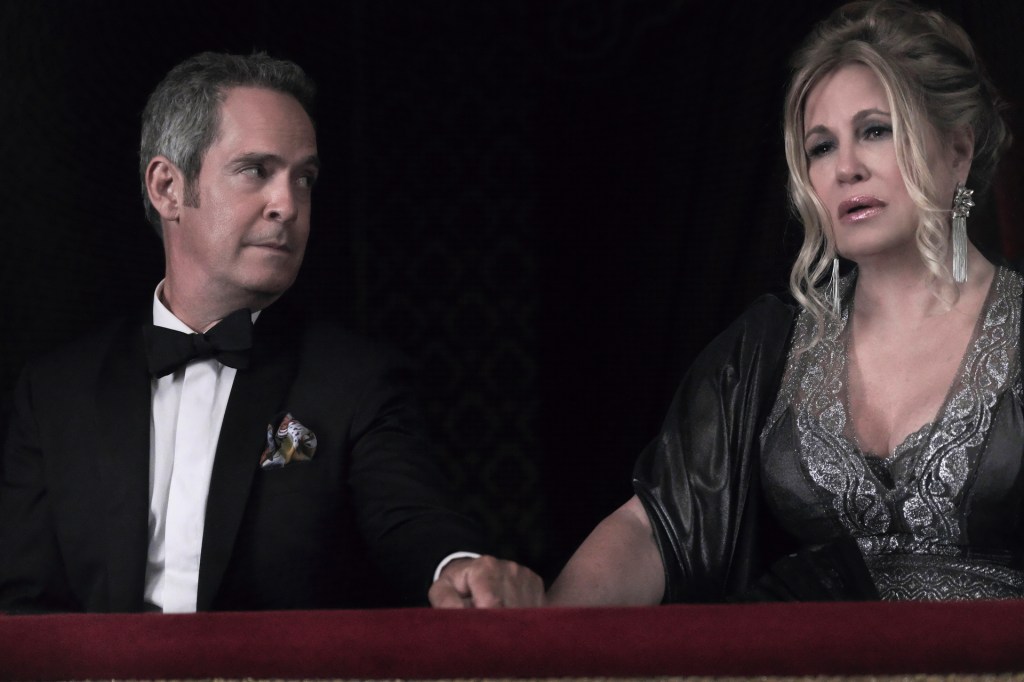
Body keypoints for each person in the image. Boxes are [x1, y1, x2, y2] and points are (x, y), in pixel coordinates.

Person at [0, 52, 542, 613]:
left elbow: (410, 516)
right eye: (256, 170)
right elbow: (19, 606)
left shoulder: (355, 381)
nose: (288, 205)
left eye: (303, 179)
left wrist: (457, 566)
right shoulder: (56, 391)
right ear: (168, 188)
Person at [547, 0, 1020, 604]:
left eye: (875, 131)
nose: (845, 168)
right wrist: (542, 636)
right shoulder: (769, 345)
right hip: (809, 653)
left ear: (958, 151)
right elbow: (655, 527)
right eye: (821, 147)